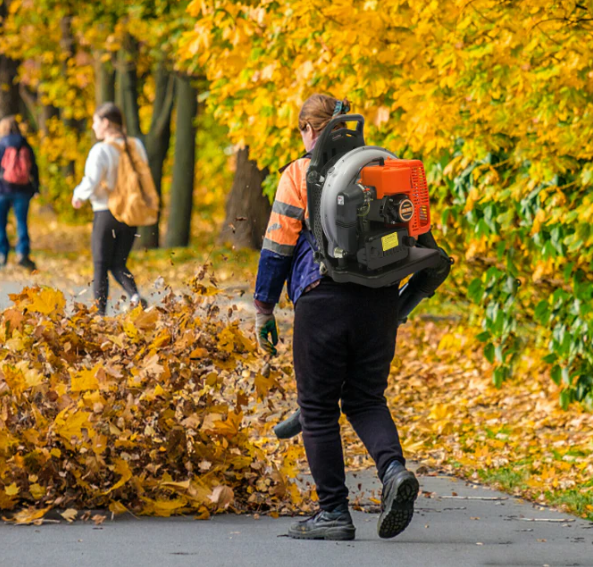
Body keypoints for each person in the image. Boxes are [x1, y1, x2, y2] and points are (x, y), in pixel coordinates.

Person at [254, 94, 419, 541]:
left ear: (310, 130)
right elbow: (417, 237)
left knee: (318, 407)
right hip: (381, 299)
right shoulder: (383, 167)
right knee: (366, 398)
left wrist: (263, 307)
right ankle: (394, 472)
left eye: (302, 129)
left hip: (322, 299)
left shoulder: (299, 174)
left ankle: (332, 512)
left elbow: (277, 246)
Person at [72, 102, 147, 316]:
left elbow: (92, 180)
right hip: (131, 213)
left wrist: (78, 196)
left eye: (96, 122)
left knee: (100, 264)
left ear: (105, 123)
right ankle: (135, 297)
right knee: (118, 263)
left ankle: (99, 315)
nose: (94, 127)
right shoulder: (136, 146)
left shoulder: (101, 150)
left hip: (106, 212)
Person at [0, 115, 39, 271]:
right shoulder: (25, 144)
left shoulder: (1, 144)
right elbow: (34, 167)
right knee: (21, 222)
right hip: (23, 190)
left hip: (2, 190)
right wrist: (36, 188)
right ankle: (22, 253)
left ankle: (2, 254)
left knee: (1, 223)